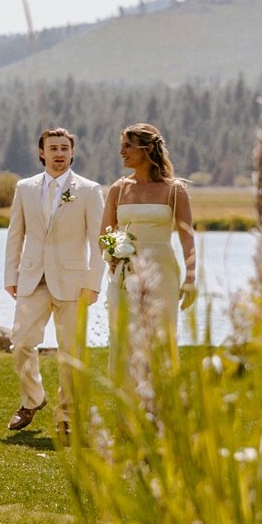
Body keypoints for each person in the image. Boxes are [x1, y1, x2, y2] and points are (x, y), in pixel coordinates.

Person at [4, 128, 104, 437]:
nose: (59, 153)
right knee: (20, 343)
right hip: (32, 278)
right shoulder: (25, 188)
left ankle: (68, 416)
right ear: (42, 153)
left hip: (74, 281)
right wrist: (11, 275)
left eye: (64, 148)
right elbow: (15, 233)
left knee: (71, 352)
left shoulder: (89, 190)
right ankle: (33, 399)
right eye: (53, 148)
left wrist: (94, 282)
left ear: (72, 153)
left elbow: (98, 241)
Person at [101, 123, 195, 377]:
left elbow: (187, 237)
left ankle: (159, 403)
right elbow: (104, 234)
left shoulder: (175, 190)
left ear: (148, 148)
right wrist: (111, 254)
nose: (122, 151)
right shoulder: (118, 189)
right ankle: (128, 403)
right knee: (124, 336)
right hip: (125, 271)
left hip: (162, 271)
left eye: (128, 145)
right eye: (122, 145)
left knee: (160, 334)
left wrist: (190, 277)